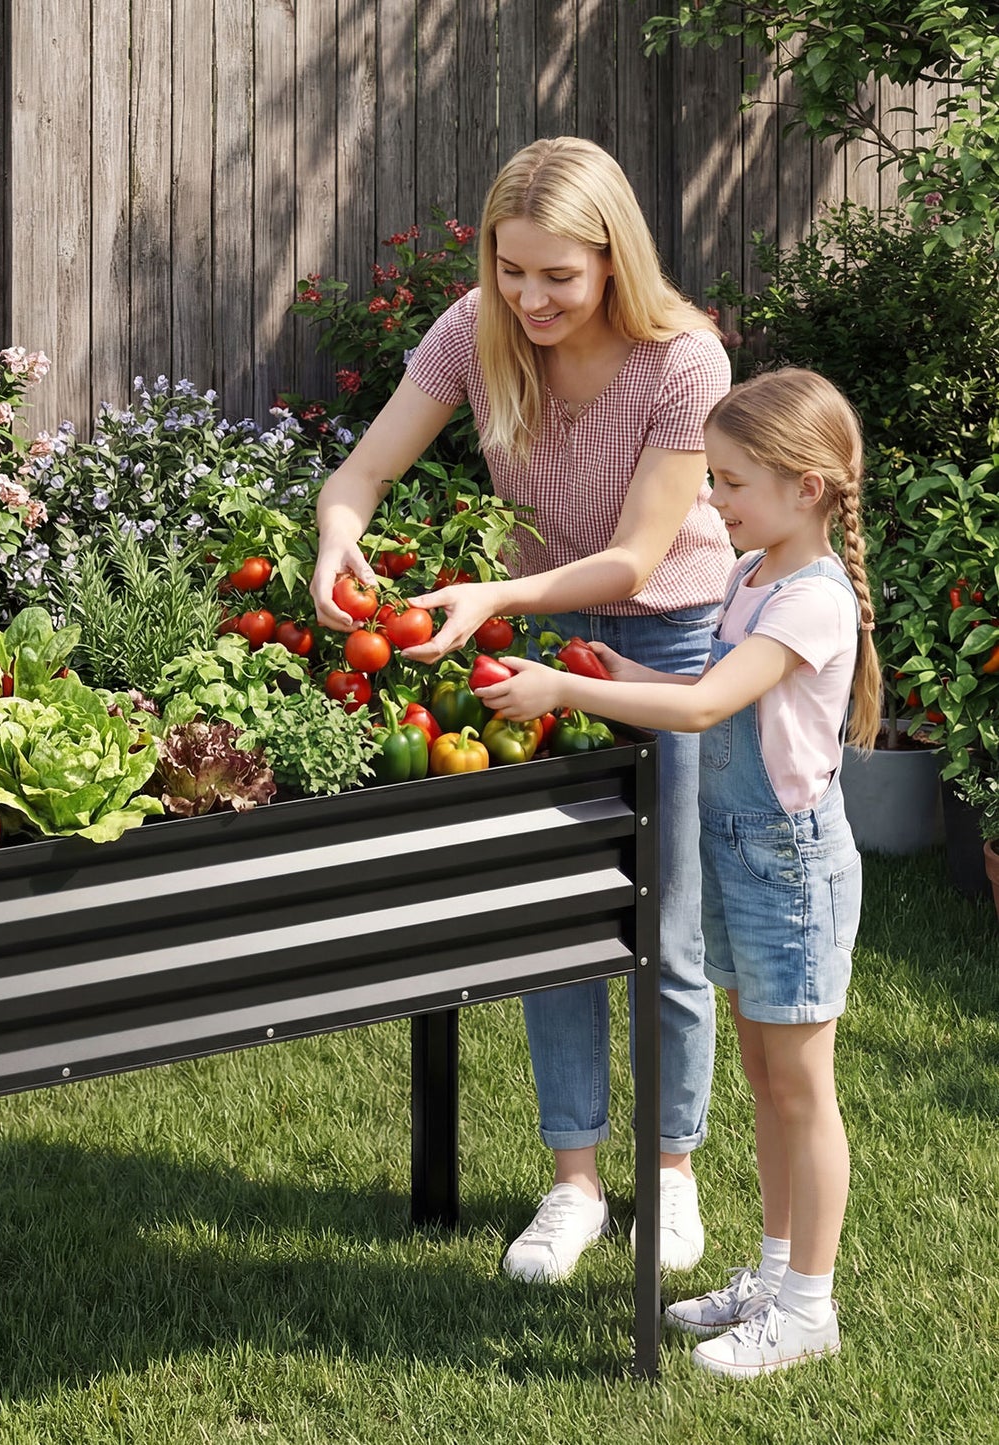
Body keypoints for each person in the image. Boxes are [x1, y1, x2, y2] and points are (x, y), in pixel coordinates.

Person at [310, 136, 732, 1282]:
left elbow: (639, 559)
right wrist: (334, 539)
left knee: (665, 921)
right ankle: (573, 1182)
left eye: (558, 274)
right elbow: (359, 475)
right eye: (511, 269)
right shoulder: (473, 332)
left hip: (669, 640)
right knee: (558, 917)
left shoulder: (681, 359)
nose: (530, 297)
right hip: (539, 639)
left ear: (611, 259)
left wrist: (494, 589)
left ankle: (672, 1173)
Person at [482, 367, 881, 1375]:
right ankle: (774, 1269)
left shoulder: (813, 600)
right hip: (741, 859)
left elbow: (707, 714)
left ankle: (807, 1306)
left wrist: (563, 685)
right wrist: (626, 678)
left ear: (806, 488)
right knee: (762, 1078)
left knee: (800, 1090)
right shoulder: (750, 578)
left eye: (731, 482)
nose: (711, 500)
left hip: (790, 872)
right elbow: (705, 689)